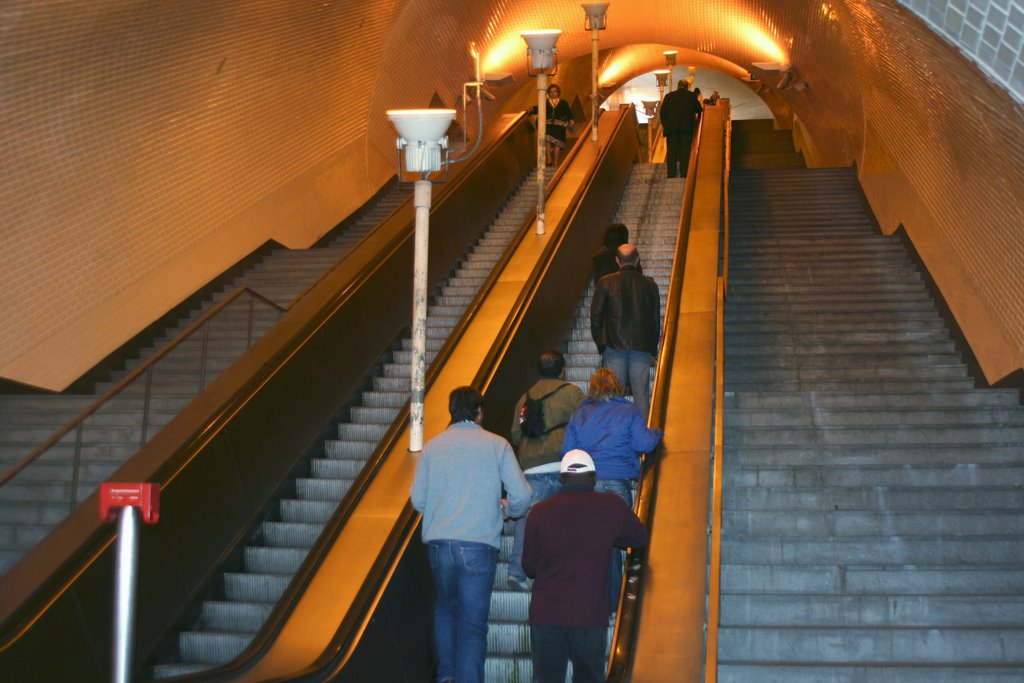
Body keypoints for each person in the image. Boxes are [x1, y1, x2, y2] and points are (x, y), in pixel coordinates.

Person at [411, 386, 533, 683]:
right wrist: (505, 510)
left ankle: (446, 675)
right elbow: (521, 496)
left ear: (452, 412)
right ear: (479, 412)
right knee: (473, 625)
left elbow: (418, 500)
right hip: (478, 546)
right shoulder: (497, 445)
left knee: (445, 607)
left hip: (440, 546)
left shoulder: (433, 447)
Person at [522, 449, 648, 683]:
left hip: (546, 613)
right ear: (593, 478)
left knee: (546, 678)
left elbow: (528, 566)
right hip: (589, 614)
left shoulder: (539, 512)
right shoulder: (610, 506)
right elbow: (639, 537)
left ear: (561, 479)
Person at [561, 369, 662, 613]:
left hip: (588, 486)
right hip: (617, 485)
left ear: (592, 388)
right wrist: (658, 432)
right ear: (617, 387)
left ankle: (588, 598)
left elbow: (567, 452)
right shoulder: (628, 412)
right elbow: (643, 443)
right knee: (613, 544)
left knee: (589, 543)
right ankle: (613, 602)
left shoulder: (579, 415)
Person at [507, 350, 585, 591]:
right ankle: (564, 574)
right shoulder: (572, 392)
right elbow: (585, 425)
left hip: (532, 467)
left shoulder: (525, 397)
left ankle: (516, 571)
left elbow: (516, 434)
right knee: (567, 520)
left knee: (529, 520)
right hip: (564, 465)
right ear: (563, 370)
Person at [590, 243, 661, 419]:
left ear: (617, 260)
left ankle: (615, 435)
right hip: (641, 347)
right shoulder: (650, 285)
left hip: (613, 347)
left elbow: (596, 317)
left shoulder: (605, 283)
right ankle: (641, 437)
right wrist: (653, 350)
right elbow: (655, 321)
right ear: (637, 260)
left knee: (613, 395)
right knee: (641, 395)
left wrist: (602, 345)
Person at [658, 79, 703, 178]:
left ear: (678, 86)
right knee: (685, 152)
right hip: (686, 130)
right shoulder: (691, 96)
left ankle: (671, 175)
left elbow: (662, 112)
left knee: (671, 152)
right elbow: (699, 109)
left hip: (672, 130)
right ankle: (684, 174)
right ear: (687, 87)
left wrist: (667, 125)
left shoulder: (669, 96)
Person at [531, 84, 575, 166]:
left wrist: (571, 121)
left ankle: (556, 161)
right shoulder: (546, 103)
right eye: (550, 92)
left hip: (560, 127)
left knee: (557, 144)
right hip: (548, 125)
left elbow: (569, 113)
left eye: (554, 91)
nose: (553, 93)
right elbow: (539, 108)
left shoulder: (563, 102)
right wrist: (531, 110)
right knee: (547, 140)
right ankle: (549, 159)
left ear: (558, 93)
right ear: (549, 93)